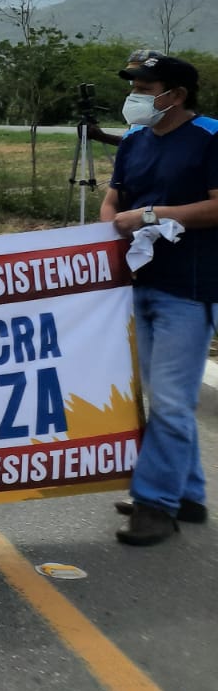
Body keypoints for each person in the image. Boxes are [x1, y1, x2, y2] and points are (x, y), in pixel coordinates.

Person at [98, 54, 217, 546]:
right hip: (139, 283)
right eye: (134, 86)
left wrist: (150, 216)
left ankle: (154, 504)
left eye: (145, 87)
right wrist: (108, 224)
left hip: (188, 289)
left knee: (169, 401)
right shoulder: (134, 141)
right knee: (158, 397)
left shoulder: (209, 137)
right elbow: (114, 197)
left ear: (176, 94)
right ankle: (185, 492)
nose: (136, 96)